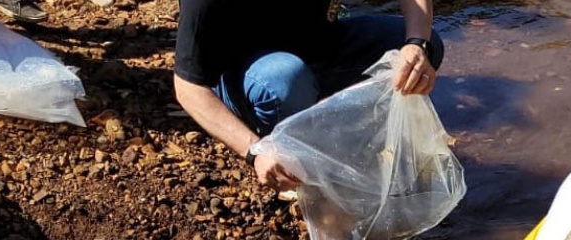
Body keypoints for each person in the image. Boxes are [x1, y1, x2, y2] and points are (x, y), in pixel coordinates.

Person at [173, 0, 443, 191]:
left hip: (317, 44)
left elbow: (417, 26)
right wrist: (254, 150)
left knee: (424, 47)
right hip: (251, 72)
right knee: (285, 82)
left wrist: (416, 43)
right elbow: (187, 87)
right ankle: (286, 144)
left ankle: (347, 128)